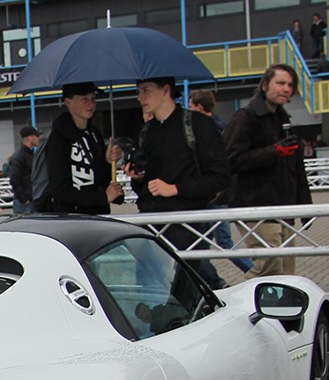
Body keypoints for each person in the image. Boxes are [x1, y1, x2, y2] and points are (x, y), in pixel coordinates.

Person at [127, 77, 232, 289]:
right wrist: (137, 178)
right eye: (139, 91)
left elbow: (220, 177)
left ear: (166, 90)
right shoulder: (146, 132)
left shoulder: (198, 125)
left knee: (184, 292)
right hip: (149, 228)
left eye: (146, 90)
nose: (140, 97)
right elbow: (145, 186)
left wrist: (176, 189)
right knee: (148, 293)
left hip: (186, 226)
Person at [223, 64, 311, 277]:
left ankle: (283, 309)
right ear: (264, 85)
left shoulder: (283, 118)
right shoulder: (245, 117)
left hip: (285, 206)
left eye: (290, 85)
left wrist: (305, 207)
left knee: (287, 270)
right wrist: (274, 152)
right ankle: (231, 304)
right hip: (256, 204)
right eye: (280, 83)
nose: (286, 89)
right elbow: (231, 159)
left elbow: (297, 168)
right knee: (269, 266)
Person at [189, 90, 252, 273]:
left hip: (215, 196)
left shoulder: (206, 131)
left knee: (222, 242)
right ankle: (206, 278)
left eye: (191, 106)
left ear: (199, 107)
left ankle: (254, 272)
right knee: (201, 243)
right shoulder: (223, 127)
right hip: (216, 194)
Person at [36, 83, 121, 215]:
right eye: (84, 99)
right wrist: (102, 198)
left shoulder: (94, 133)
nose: (91, 104)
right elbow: (60, 190)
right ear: (68, 102)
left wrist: (108, 161)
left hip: (99, 214)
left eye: (93, 99)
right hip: (72, 218)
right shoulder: (58, 138)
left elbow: (99, 178)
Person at [7, 126, 40, 215]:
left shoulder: (31, 155)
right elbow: (14, 179)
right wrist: (24, 199)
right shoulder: (19, 156)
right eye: (36, 136)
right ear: (29, 138)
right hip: (24, 203)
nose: (38, 138)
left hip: (31, 200)